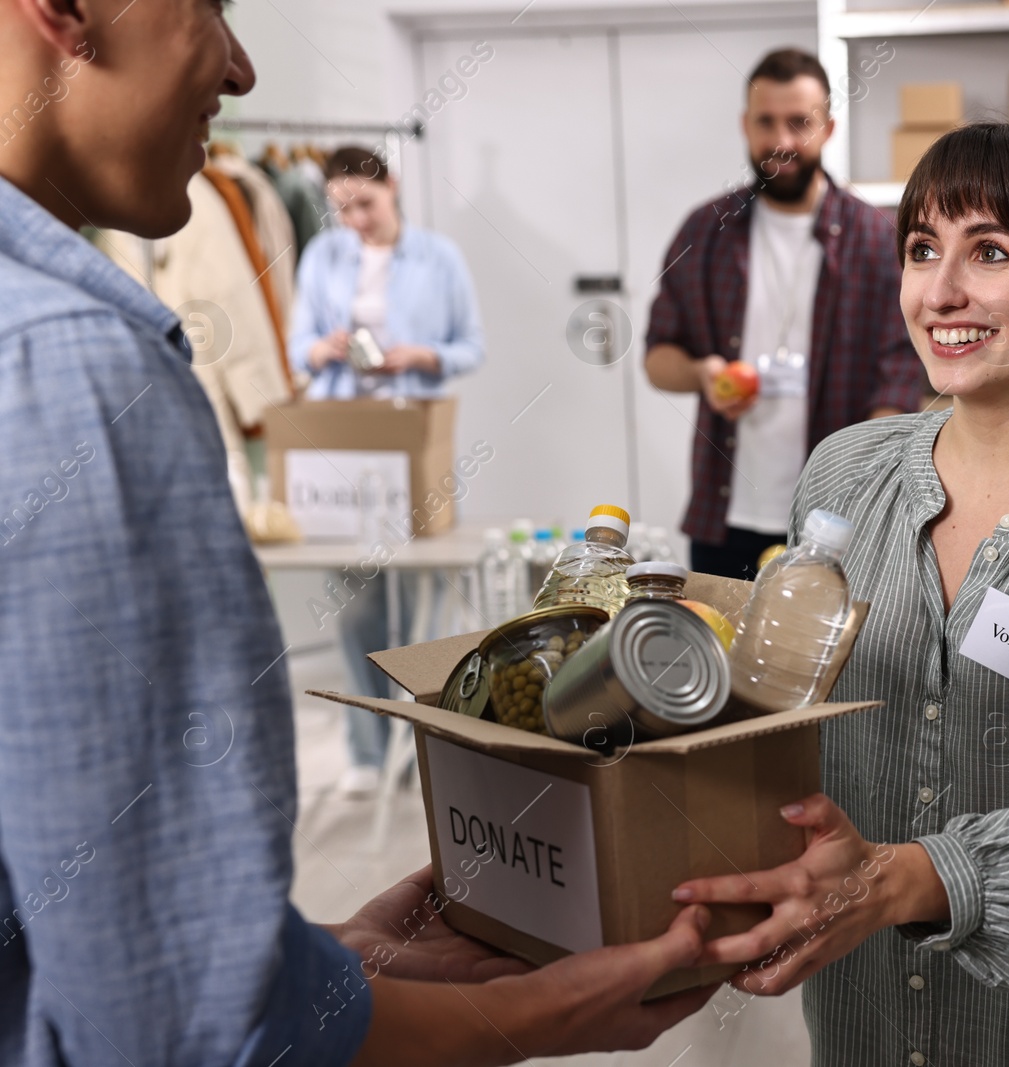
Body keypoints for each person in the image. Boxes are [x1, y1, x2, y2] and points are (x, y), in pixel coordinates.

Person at [0, 2, 713, 1064]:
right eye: (212, 6)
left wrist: (314, 961)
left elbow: (60, 925)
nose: (241, 69)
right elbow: (180, 1030)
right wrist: (529, 1016)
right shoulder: (71, 370)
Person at [671, 123, 1009, 1065]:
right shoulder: (845, 472)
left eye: (991, 253)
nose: (942, 292)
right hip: (869, 1019)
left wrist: (900, 881)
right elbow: (783, 714)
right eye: (923, 249)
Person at [644, 47, 924, 581]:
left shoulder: (877, 239)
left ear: (829, 127)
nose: (782, 141)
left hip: (839, 522)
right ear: (745, 126)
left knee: (833, 665)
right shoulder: (705, 231)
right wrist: (702, 376)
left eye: (800, 122)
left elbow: (900, 377)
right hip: (724, 518)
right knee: (724, 658)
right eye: (766, 122)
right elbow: (657, 357)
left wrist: (854, 481)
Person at [288, 144, 485, 794]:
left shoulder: (440, 258)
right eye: (342, 207)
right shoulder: (322, 256)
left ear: (392, 187)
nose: (355, 219)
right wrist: (325, 348)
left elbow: (470, 346)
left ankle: (426, 741)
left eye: (365, 203)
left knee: (429, 599)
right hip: (347, 444)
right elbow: (299, 348)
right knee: (356, 604)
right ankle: (368, 752)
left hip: (414, 437)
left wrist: (420, 356)